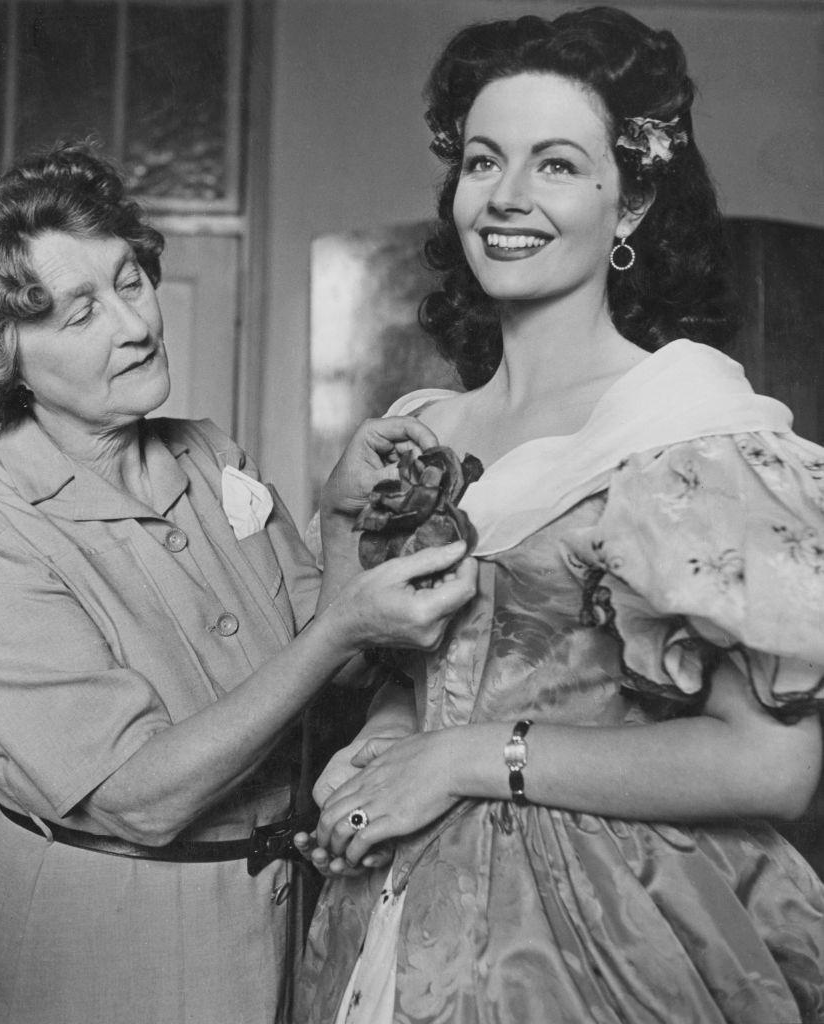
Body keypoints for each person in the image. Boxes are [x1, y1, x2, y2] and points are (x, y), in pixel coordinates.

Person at [294, 8, 824, 1023]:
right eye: (484, 161)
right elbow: (412, 672)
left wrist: (459, 757)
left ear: (629, 204)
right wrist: (391, 731)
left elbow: (774, 762)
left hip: (604, 932)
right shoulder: (421, 425)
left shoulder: (692, 427)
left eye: (556, 165)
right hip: (397, 914)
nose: (507, 197)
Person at [0, 142, 478, 1024]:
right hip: (97, 943)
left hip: (272, 918)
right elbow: (139, 800)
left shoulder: (206, 453)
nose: (135, 324)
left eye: (130, 279)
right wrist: (341, 629)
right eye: (77, 313)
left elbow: (324, 681)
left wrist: (338, 525)